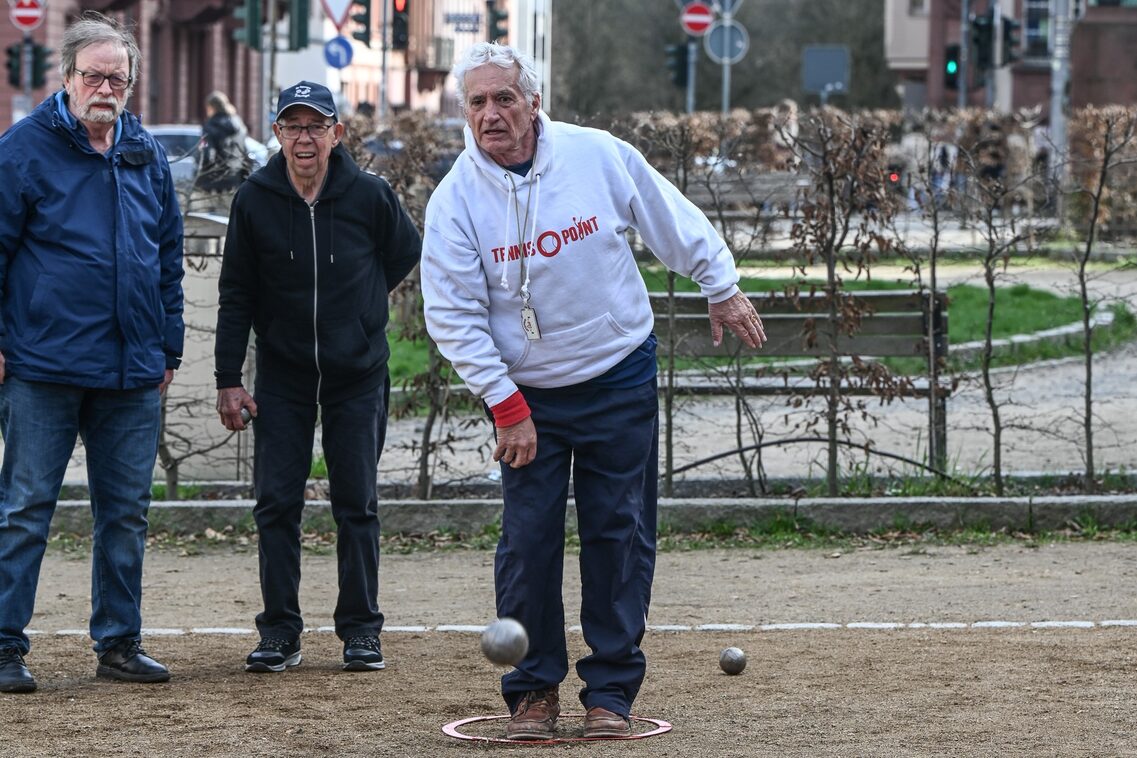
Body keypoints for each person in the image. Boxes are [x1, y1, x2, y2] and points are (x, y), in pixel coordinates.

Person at [420, 43, 765, 740]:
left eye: (504, 98)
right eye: (477, 103)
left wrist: (719, 284)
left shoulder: (595, 154)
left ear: (533, 102)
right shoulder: (455, 200)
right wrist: (505, 405)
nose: (491, 114)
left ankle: (610, 692)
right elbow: (452, 315)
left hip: (617, 372)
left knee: (619, 532)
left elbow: (667, 216)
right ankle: (532, 691)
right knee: (528, 542)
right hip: (527, 399)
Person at [0, 11, 184, 693]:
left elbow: (167, 257)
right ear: (68, 76)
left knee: (125, 514)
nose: (106, 88)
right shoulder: (22, 150)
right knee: (25, 510)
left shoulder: (144, 152)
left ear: (131, 84)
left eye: (118, 79)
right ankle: (3, 645)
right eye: (95, 76)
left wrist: (168, 347)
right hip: (41, 366)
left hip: (132, 370)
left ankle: (119, 643)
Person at [214, 81, 421, 674]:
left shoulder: (371, 195)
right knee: (276, 503)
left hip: (357, 373)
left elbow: (404, 252)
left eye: (315, 126)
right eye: (292, 126)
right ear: (277, 134)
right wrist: (229, 377)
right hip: (283, 377)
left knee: (356, 503)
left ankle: (361, 631)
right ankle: (280, 630)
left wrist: (362, 309)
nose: (303, 138)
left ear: (337, 133)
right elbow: (236, 293)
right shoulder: (253, 199)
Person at [196, 90, 250, 195]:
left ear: (211, 107)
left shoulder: (210, 126)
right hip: (236, 181)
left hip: (212, 185)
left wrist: (199, 176)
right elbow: (245, 152)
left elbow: (206, 155)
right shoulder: (239, 125)